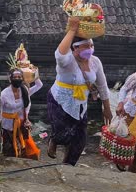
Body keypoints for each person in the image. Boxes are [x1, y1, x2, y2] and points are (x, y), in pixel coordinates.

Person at [47, 17, 112, 166]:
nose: (90, 48)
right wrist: (72, 30)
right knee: (63, 133)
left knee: (80, 141)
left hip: (80, 103)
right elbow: (60, 55)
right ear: (75, 48)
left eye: (91, 45)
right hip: (59, 101)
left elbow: (102, 85)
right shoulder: (67, 61)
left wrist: (107, 108)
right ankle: (54, 139)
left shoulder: (95, 61)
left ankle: (68, 166)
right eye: (86, 46)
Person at [0, 68, 43, 159]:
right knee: (9, 149)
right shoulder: (4, 94)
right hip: (7, 125)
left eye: (19, 77)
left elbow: (39, 85)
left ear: (22, 79)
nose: (17, 79)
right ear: (10, 79)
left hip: (20, 123)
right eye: (15, 77)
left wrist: (33, 73)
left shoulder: (24, 91)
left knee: (25, 148)